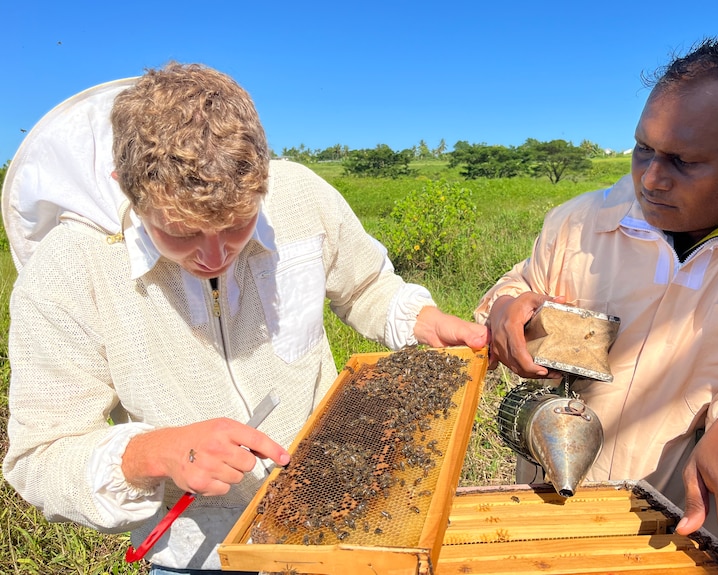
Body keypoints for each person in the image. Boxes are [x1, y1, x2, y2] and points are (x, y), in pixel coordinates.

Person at [2, 62, 488, 574]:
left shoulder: (301, 195)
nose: (214, 256)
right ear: (127, 187)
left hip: (340, 515)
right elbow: (40, 456)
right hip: (195, 553)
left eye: (236, 225)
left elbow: (366, 286)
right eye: (183, 233)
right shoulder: (67, 270)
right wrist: (153, 453)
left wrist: (421, 319)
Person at [475, 38, 718, 575]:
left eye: (685, 161)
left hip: (682, 538)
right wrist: (507, 308)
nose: (652, 178)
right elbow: (519, 286)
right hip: (544, 512)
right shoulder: (576, 223)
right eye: (643, 149)